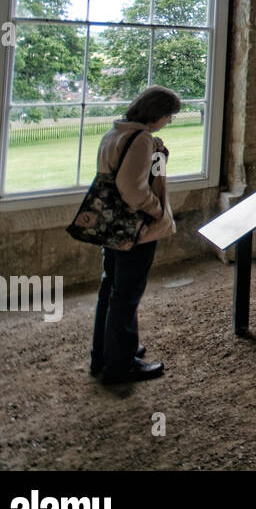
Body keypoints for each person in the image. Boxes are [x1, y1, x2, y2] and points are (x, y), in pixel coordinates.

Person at [89, 85, 180, 385]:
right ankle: (121, 364)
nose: (169, 121)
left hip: (111, 224)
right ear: (158, 114)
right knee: (126, 294)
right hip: (134, 229)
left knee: (111, 288)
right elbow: (133, 190)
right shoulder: (140, 139)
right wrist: (157, 211)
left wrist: (159, 157)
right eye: (170, 116)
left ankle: (106, 352)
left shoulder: (114, 133)